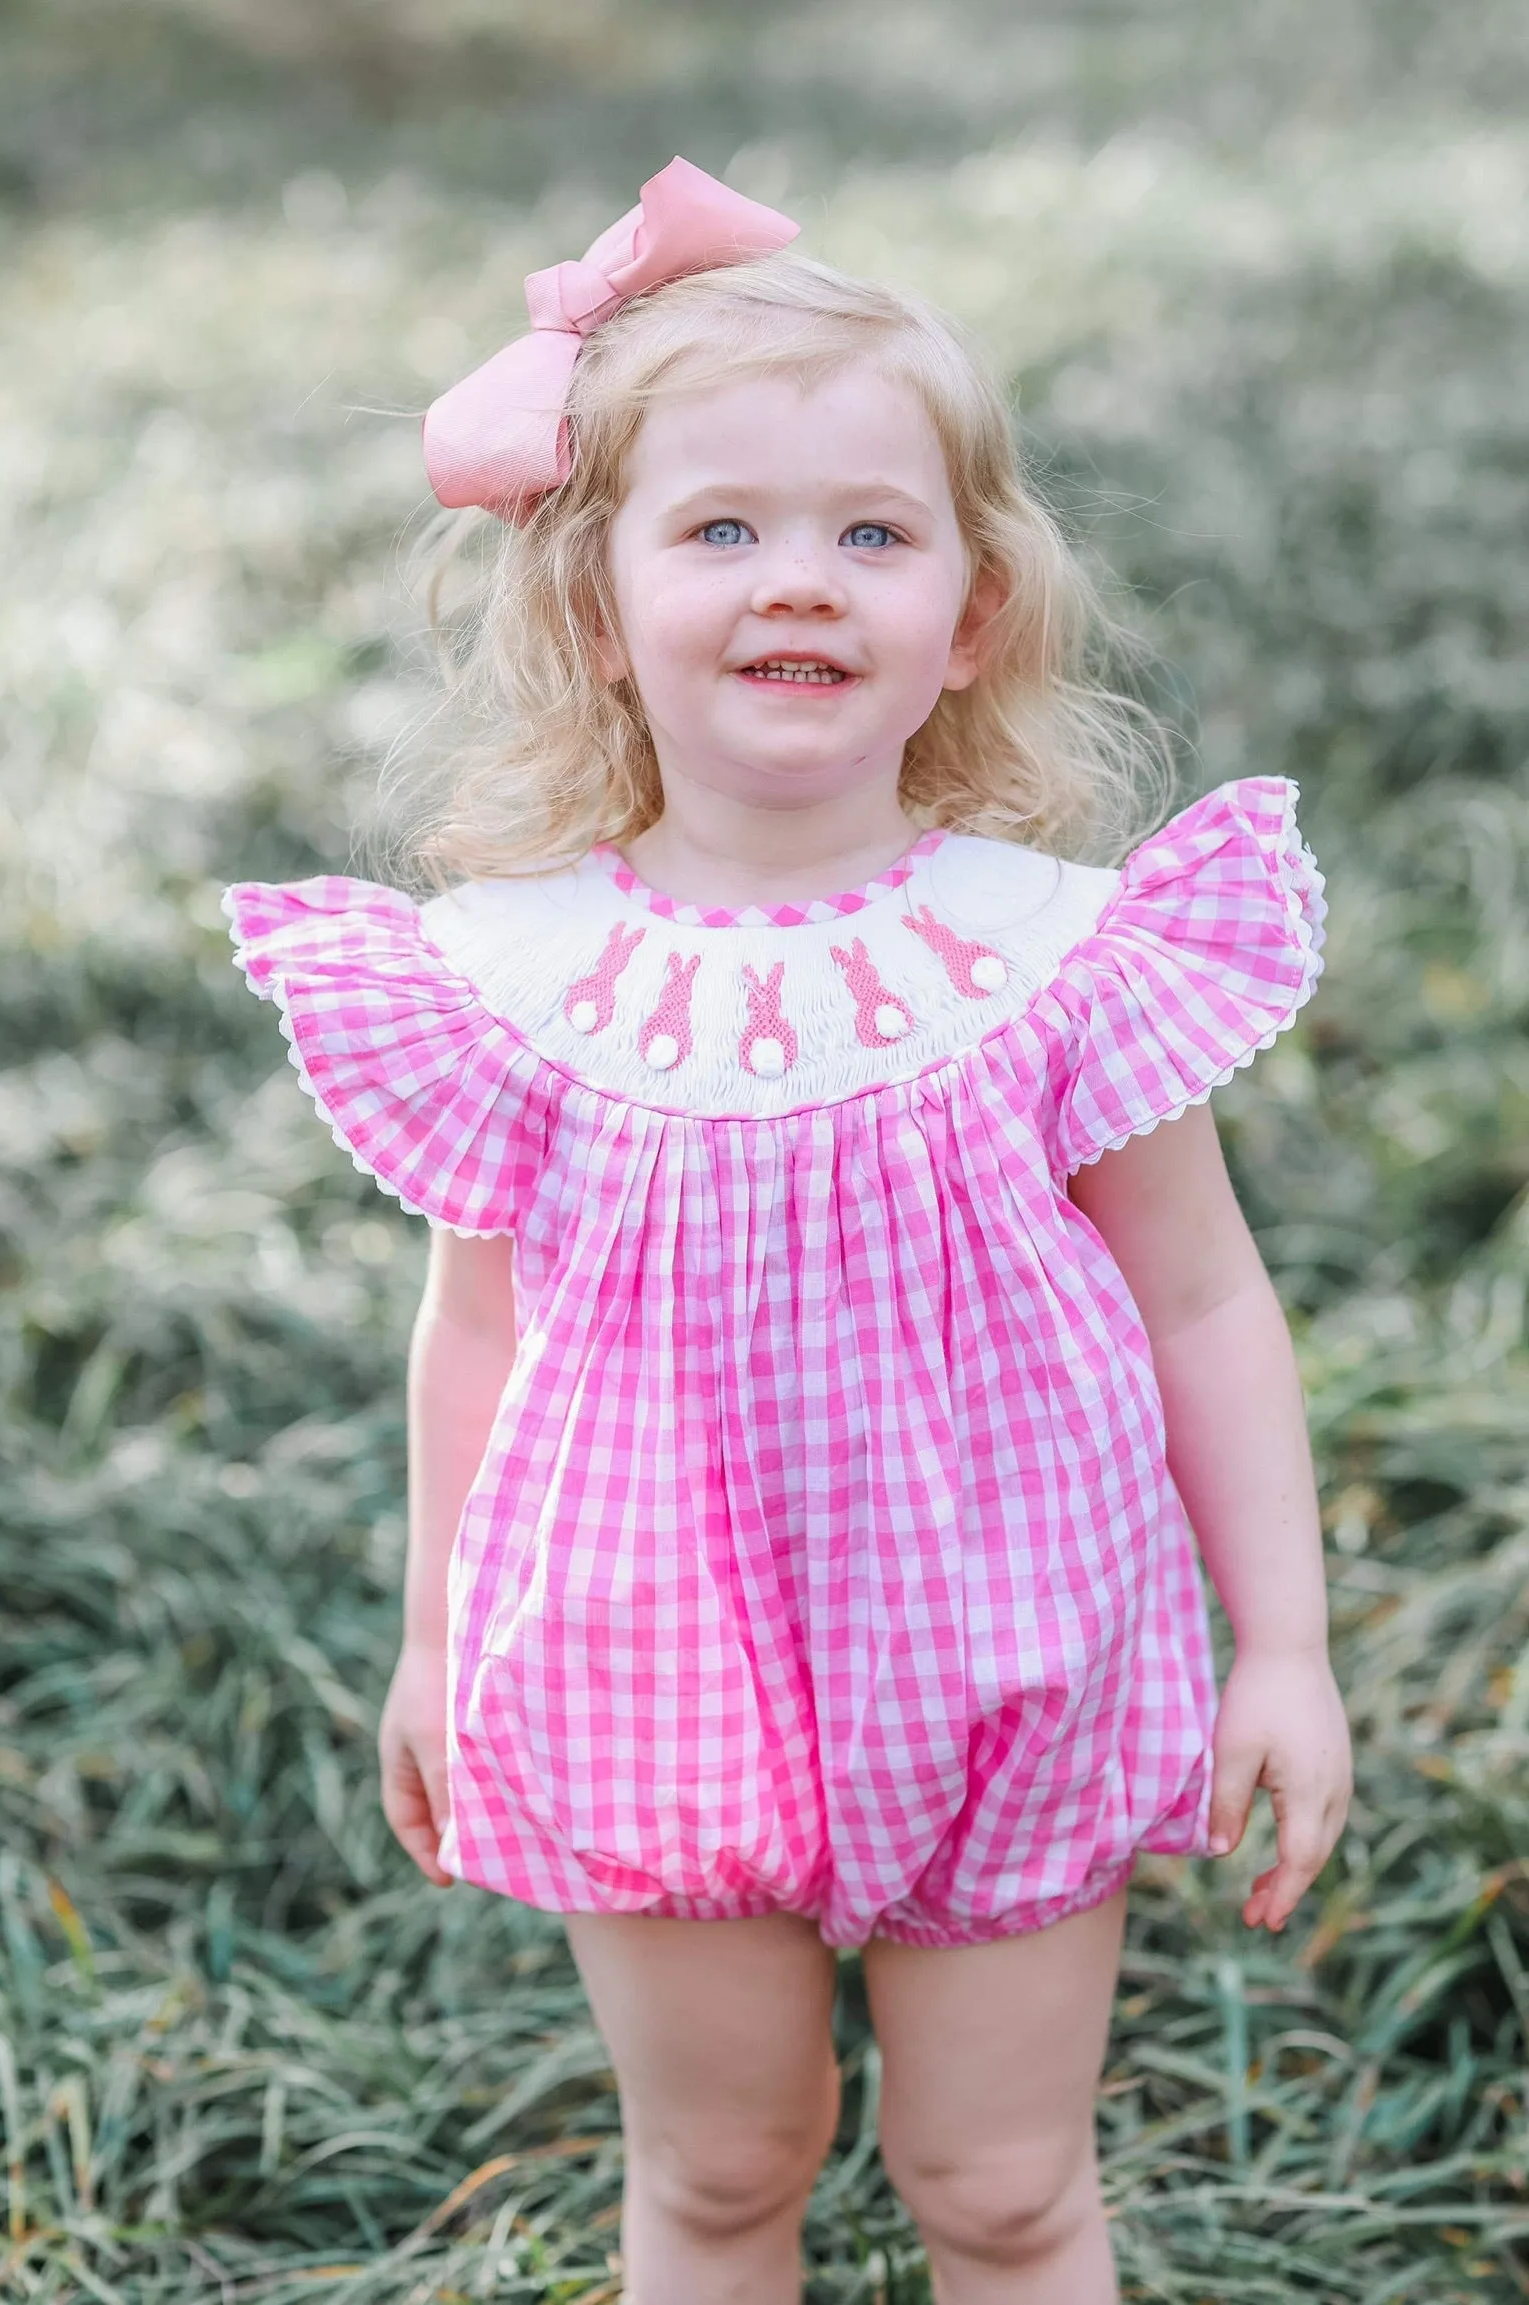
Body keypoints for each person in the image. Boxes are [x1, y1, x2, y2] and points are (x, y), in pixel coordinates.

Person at [224, 157, 1352, 2305]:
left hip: (1018, 1647)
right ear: (595, 605)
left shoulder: (1053, 957)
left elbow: (1203, 1295)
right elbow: (477, 1337)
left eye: (871, 531)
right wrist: (442, 1634)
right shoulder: (520, 978)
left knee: (1005, 2191)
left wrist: (1281, 1646)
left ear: (971, 616)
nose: (796, 579)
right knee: (722, 2181)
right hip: (650, 1658)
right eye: (723, 527)